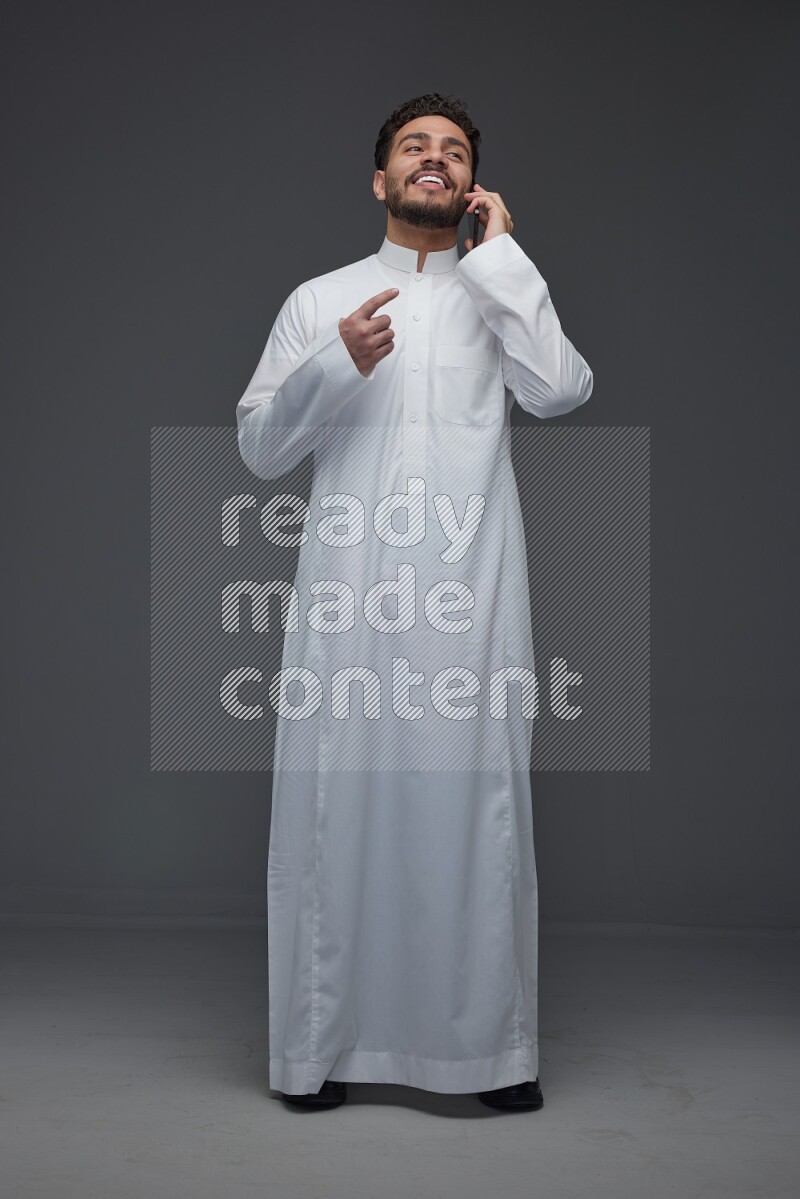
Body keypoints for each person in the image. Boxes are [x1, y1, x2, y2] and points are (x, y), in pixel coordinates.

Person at [235, 93, 593, 1112]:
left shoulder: (495, 292)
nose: (431, 160)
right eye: (412, 148)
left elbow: (561, 388)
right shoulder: (322, 299)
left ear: (473, 185)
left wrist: (503, 262)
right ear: (380, 179)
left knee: (472, 813)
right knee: (330, 812)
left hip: (468, 602)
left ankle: (485, 1052)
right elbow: (261, 450)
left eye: (451, 151)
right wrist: (333, 363)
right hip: (346, 605)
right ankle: (320, 1047)